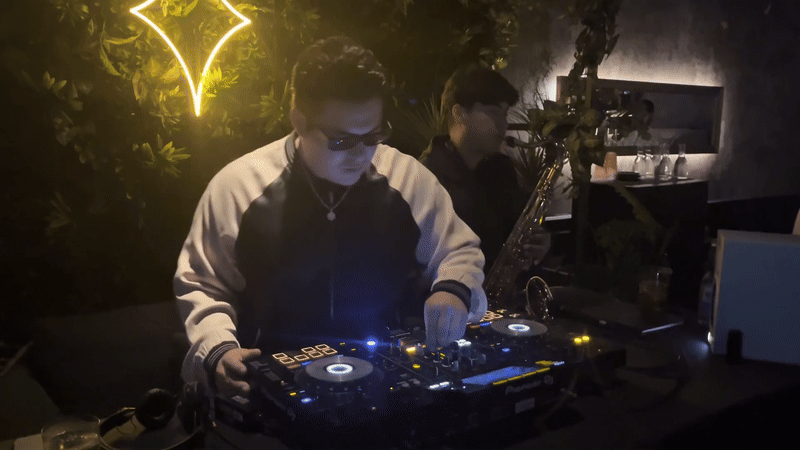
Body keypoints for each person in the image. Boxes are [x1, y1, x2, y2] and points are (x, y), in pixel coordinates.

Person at [174, 36, 487, 399]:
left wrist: (453, 288)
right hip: (270, 384)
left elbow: (458, 250)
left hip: (388, 379)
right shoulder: (238, 187)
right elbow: (202, 283)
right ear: (299, 121)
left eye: (373, 135)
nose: (361, 153)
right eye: (341, 140)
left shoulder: (408, 179)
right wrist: (218, 348)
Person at [418, 65, 550, 273]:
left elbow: (516, 235)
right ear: (460, 114)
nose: (503, 124)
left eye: (505, 113)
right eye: (493, 112)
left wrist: (537, 247)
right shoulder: (425, 177)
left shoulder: (501, 169)